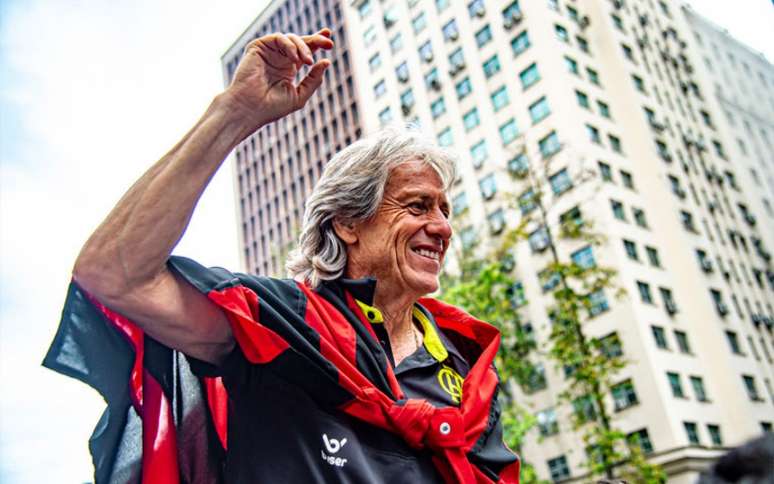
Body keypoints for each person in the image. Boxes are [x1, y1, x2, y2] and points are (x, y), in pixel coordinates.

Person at [44, 29, 520, 483]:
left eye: (444, 210)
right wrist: (234, 113)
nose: (441, 227)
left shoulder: (467, 365)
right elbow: (113, 274)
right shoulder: (281, 323)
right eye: (417, 206)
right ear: (348, 223)